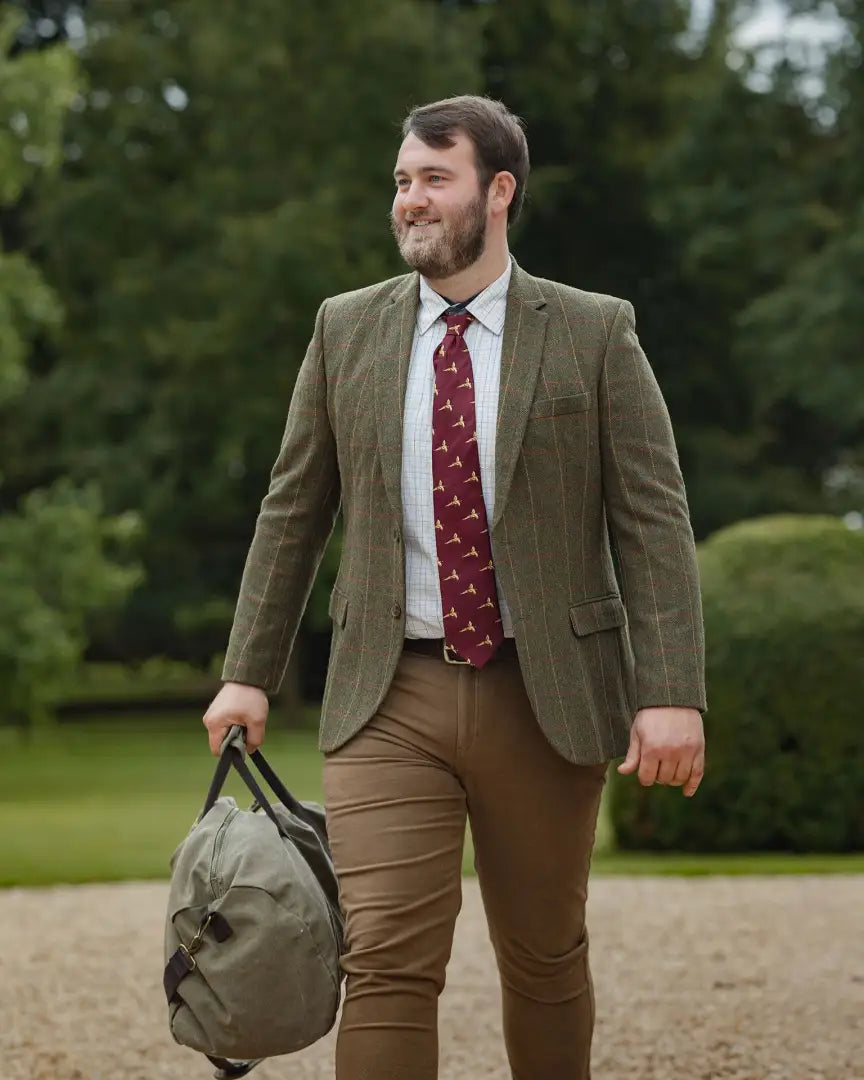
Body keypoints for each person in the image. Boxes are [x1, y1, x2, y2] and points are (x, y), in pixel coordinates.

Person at [203, 94, 707, 1080]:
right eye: (402, 181)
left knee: (544, 956)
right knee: (385, 958)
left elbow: (652, 516)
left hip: (546, 692)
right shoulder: (345, 329)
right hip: (387, 693)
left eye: (435, 178)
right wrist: (247, 672)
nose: (411, 201)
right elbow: (292, 507)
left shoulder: (596, 333)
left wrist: (672, 688)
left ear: (499, 191)